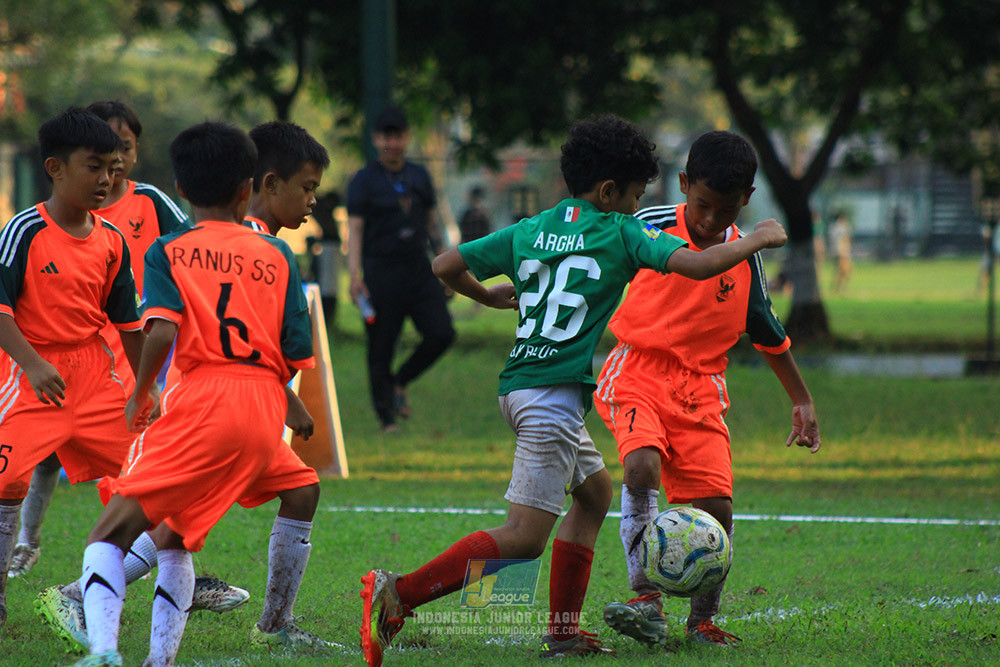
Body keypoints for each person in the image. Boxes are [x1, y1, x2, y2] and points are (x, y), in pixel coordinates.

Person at [359, 114, 788, 665]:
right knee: (524, 535)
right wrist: (758, 237)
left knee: (594, 496)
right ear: (610, 192)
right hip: (550, 399)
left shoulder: (532, 227)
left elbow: (444, 264)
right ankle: (401, 594)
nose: (637, 206)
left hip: (521, 386)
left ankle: (562, 632)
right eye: (634, 195)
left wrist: (489, 297)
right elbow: (701, 264)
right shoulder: (622, 230)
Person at [69, 121, 316, 667]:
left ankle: (103, 651)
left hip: (204, 399)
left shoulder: (169, 248)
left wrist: (140, 393)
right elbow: (293, 346)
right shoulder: (276, 255)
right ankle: (162, 661)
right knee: (175, 534)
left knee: (109, 532)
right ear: (247, 189)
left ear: (180, 190)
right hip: (263, 408)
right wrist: (290, 403)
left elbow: (158, 328)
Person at [32, 102, 247, 653]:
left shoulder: (150, 204)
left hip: (144, 366)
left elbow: (201, 245)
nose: (115, 166)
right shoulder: (56, 224)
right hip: (107, 368)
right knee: (132, 493)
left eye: (124, 150)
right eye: (105, 155)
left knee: (153, 486)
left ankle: (129, 584)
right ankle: (71, 583)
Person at [594, 130, 821, 648]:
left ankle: (702, 619)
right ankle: (645, 597)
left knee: (717, 508)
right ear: (682, 186)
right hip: (636, 372)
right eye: (701, 205)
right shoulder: (649, 227)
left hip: (701, 390)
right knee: (642, 466)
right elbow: (596, 263)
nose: (710, 220)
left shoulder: (745, 257)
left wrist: (802, 399)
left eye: (724, 210)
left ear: (745, 200)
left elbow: (769, 334)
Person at [0, 108, 158, 628]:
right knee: (6, 483)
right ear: (56, 167)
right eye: (94, 167)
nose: (107, 180)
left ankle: (94, 589)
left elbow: (129, 324)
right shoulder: (24, 230)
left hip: (96, 378)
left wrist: (145, 390)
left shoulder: (111, 240)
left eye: (114, 168)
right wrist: (32, 363)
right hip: (29, 372)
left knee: (152, 480)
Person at [346, 105, 455, 432]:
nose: (392, 143)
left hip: (419, 270)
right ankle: (386, 418)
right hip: (380, 272)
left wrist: (447, 265)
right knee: (380, 347)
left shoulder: (419, 177)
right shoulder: (363, 181)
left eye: (398, 136)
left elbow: (434, 225)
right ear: (376, 139)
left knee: (441, 333)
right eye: (386, 136)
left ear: (406, 138)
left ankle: (400, 380)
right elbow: (355, 230)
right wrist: (354, 276)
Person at [306, 191, 343, 329]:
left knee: (328, 286)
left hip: (329, 248)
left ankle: (326, 320)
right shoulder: (323, 212)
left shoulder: (323, 213)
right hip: (328, 248)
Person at [829, 210, 852, 292]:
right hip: (842, 251)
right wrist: (844, 251)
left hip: (836, 251)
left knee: (839, 270)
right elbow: (844, 240)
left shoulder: (833, 228)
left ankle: (837, 287)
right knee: (844, 270)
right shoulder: (842, 228)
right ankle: (839, 288)